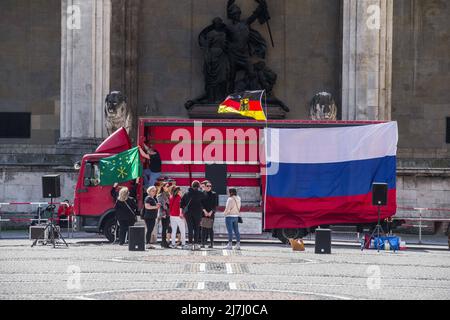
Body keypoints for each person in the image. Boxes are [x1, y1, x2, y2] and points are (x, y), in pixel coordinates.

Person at [181, 180, 205, 250]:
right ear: (199, 186)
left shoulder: (186, 194)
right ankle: (196, 244)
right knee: (197, 228)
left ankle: (190, 244)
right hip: (198, 213)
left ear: (192, 186)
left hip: (188, 214)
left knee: (190, 228)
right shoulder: (201, 193)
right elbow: (204, 201)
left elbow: (182, 204)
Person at [201, 181, 218, 248]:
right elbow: (201, 204)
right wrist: (205, 211)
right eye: (207, 186)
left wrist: (211, 212)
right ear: (205, 186)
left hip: (211, 214)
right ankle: (202, 243)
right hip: (203, 213)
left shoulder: (214, 194)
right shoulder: (202, 193)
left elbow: (215, 204)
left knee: (210, 229)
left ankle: (211, 243)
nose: (209, 187)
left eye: (210, 186)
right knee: (203, 228)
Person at [157, 182, 171, 248]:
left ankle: (165, 242)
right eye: (167, 186)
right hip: (164, 213)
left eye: (168, 186)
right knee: (164, 228)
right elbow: (163, 205)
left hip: (169, 212)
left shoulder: (168, 194)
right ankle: (163, 242)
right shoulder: (160, 195)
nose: (168, 187)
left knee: (167, 227)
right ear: (163, 187)